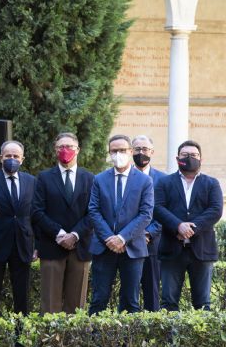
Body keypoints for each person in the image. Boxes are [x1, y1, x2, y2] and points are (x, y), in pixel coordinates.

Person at [154, 140, 223, 311]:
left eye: (194, 155)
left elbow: (215, 210)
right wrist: (178, 226)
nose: (190, 158)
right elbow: (157, 207)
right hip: (172, 249)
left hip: (202, 250)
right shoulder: (164, 183)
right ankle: (170, 338)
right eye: (185, 155)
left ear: (201, 159)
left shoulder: (211, 183)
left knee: (203, 304)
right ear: (178, 158)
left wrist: (191, 228)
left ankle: (200, 339)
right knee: (168, 303)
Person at [88, 134, 153, 314]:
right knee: (99, 299)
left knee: (131, 301)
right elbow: (93, 210)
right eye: (114, 151)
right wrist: (110, 238)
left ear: (131, 152)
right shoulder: (99, 179)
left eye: (122, 150)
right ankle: (95, 342)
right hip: (103, 247)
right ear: (109, 153)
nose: (118, 154)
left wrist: (122, 238)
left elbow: (146, 214)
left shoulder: (145, 181)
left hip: (132, 248)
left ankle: (126, 343)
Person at [32, 132, 95, 314]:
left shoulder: (89, 178)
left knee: (76, 305)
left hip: (80, 247)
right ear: (55, 150)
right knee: (49, 303)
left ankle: (72, 343)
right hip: (52, 247)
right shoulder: (44, 177)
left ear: (78, 150)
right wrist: (60, 234)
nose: (65, 150)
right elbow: (37, 211)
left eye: (69, 147)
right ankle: (50, 342)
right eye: (61, 147)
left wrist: (74, 235)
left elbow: (93, 212)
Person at [0, 140, 35, 315]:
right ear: (1, 158)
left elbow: (34, 215)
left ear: (22, 159)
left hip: (22, 245)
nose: (12, 159)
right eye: (8, 156)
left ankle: (20, 340)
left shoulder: (31, 181)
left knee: (22, 298)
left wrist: (35, 245)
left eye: (16, 156)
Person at [131, 135, 166, 311]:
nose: (141, 153)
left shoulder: (163, 179)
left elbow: (164, 212)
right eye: (137, 149)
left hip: (153, 244)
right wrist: (133, 234)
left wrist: (148, 233)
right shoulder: (124, 176)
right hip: (128, 243)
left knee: (152, 292)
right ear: (131, 151)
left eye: (145, 149)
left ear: (152, 152)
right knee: (130, 292)